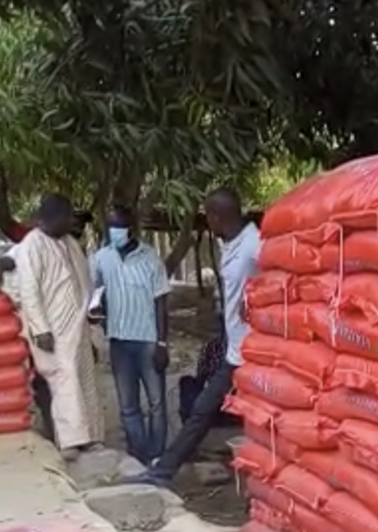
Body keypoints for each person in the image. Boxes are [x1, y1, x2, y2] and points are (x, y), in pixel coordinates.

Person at [141, 187, 259, 486]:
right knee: (202, 410)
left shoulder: (254, 245)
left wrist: (258, 304)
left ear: (218, 216)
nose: (207, 222)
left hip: (256, 353)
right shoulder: (230, 244)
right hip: (236, 350)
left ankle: (256, 484)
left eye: (208, 216)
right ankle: (163, 470)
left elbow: (280, 277)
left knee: (248, 418)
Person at [0, 209, 93, 444]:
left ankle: (75, 434)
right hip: (38, 327)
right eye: (74, 223)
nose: (77, 229)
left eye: (80, 226)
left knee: (71, 383)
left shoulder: (71, 247)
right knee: (52, 382)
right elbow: (12, 261)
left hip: (68, 328)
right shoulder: (33, 243)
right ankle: (61, 436)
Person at [14, 193, 103, 461]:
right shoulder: (32, 245)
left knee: (86, 380)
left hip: (78, 325)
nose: (71, 222)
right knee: (65, 382)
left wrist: (91, 315)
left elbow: (84, 282)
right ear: (54, 218)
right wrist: (40, 329)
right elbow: (29, 291)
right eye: (68, 217)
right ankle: (72, 441)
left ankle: (93, 436)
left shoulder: (70, 243)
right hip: (53, 330)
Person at [91, 206, 170, 464]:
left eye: (120, 227)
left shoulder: (150, 258)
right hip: (118, 341)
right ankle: (139, 455)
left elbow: (161, 302)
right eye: (111, 227)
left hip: (148, 341)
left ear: (131, 228)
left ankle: (157, 454)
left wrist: (162, 343)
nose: (115, 232)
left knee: (157, 403)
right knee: (127, 405)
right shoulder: (101, 259)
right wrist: (97, 313)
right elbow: (94, 295)